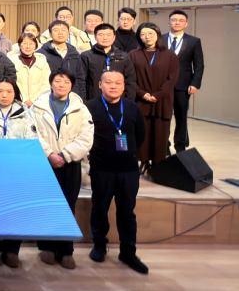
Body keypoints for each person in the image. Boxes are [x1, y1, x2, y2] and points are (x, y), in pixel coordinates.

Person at [86, 70, 148, 274]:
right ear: (100, 85)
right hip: (102, 168)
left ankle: (128, 252)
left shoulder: (132, 107)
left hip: (128, 170)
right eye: (108, 82)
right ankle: (99, 246)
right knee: (99, 208)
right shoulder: (90, 107)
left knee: (127, 212)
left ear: (123, 86)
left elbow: (140, 135)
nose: (113, 86)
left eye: (118, 83)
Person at [31, 69, 94, 270]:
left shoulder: (80, 109)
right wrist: (49, 154)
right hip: (45, 163)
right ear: (51, 83)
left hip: (70, 164)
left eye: (66, 82)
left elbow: (86, 138)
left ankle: (66, 250)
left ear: (72, 85)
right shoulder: (38, 107)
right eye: (58, 81)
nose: (61, 85)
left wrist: (65, 155)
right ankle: (47, 248)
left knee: (68, 206)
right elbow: (32, 132)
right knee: (46, 206)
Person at [0, 77, 38, 268]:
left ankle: (12, 250)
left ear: (15, 93)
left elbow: (32, 141)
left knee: (15, 210)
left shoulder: (25, 114)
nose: (4, 95)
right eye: (0, 91)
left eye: (9, 91)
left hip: (16, 172)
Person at [130, 22, 179, 171]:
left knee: (160, 133)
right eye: (143, 34)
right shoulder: (133, 55)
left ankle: (158, 164)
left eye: (150, 33)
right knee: (142, 133)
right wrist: (142, 94)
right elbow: (130, 79)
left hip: (162, 101)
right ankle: (143, 161)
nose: (147, 37)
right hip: (141, 100)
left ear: (157, 35)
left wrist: (157, 95)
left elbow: (172, 79)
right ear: (139, 37)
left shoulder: (170, 55)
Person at [159, 10, 205, 153]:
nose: (177, 22)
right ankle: (163, 145)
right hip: (162, 85)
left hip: (183, 85)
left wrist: (195, 83)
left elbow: (199, 65)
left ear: (186, 24)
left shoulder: (194, 41)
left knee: (181, 116)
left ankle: (180, 146)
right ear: (169, 22)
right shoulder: (160, 39)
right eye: (174, 20)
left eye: (180, 20)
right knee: (163, 116)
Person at [80, 23, 137, 101]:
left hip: (119, 101)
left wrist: (129, 101)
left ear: (114, 37)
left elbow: (130, 81)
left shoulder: (123, 56)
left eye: (108, 35)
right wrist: (83, 101)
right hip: (93, 100)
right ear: (95, 37)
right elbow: (81, 81)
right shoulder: (86, 56)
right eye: (101, 35)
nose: (105, 38)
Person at [38, 20, 87, 98]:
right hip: (49, 96)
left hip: (73, 96)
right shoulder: (41, 54)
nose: (60, 33)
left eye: (63, 30)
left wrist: (81, 97)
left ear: (68, 33)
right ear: (50, 34)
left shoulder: (74, 53)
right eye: (56, 30)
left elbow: (80, 77)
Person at [7, 33, 51, 107]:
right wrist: (24, 99)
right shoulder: (12, 61)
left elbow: (46, 84)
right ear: (19, 45)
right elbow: (11, 83)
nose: (28, 46)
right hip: (18, 102)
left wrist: (35, 101)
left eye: (31, 44)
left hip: (39, 103)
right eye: (24, 43)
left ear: (35, 46)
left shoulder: (42, 61)